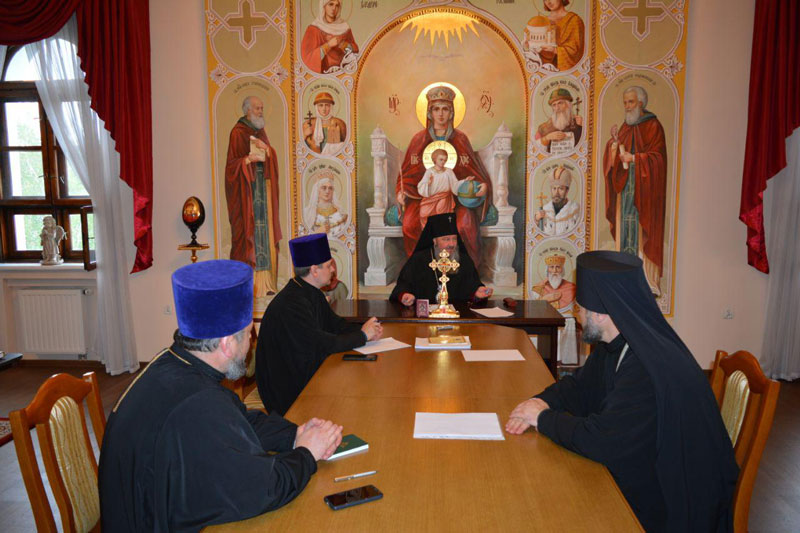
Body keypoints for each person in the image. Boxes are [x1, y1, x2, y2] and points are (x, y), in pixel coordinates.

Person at [99, 260, 344, 531]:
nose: (252, 341)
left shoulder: (172, 364)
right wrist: (307, 453)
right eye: (249, 333)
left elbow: (238, 420)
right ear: (227, 344)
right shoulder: (200, 403)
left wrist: (294, 434)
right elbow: (262, 489)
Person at [506, 251, 738, 532]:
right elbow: (579, 388)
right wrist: (538, 402)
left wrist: (543, 419)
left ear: (600, 314)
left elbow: (605, 443)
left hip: (673, 501)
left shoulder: (646, 366)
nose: (577, 315)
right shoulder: (616, 343)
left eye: (580, 308)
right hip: (644, 467)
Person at [256, 233, 382, 415]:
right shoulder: (291, 304)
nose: (333, 270)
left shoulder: (310, 292)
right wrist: (362, 336)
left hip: (305, 372)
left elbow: (336, 325)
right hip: (288, 391)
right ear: (314, 270)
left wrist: (368, 330)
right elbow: (321, 344)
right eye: (329, 265)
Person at [396, 85, 492, 267]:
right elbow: (407, 175)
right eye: (436, 109)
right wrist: (401, 192)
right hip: (423, 199)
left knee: (465, 224)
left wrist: (483, 186)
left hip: (455, 200)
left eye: (445, 109)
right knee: (409, 223)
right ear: (429, 112)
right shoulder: (418, 139)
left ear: (452, 112)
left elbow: (474, 171)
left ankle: (465, 270)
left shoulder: (461, 139)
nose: (440, 114)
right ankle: (420, 268)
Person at [603, 85, 667, 294]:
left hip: (645, 194)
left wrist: (635, 159)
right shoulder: (625, 127)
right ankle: (623, 277)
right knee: (625, 233)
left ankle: (646, 281)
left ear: (641, 103)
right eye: (625, 103)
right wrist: (614, 144)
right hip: (625, 194)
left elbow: (659, 159)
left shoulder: (653, 126)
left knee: (641, 235)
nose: (627, 106)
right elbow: (615, 159)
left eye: (630, 102)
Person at [225, 95, 282, 297]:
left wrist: (267, 150)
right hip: (247, 196)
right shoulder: (237, 132)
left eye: (262, 108)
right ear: (247, 110)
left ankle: (266, 283)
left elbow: (269, 156)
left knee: (266, 235)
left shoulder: (260, 131)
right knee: (250, 235)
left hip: (263, 192)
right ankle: (250, 286)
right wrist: (247, 160)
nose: (260, 112)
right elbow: (231, 167)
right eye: (257, 108)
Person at [390, 213, 492, 307]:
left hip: (458, 314)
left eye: (454, 239)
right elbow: (403, 286)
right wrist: (405, 295)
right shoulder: (418, 260)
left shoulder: (464, 260)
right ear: (435, 241)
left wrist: (477, 293)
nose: (451, 244)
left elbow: (473, 288)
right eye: (446, 239)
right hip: (424, 316)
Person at [418, 148, 485, 229]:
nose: (443, 162)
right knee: (423, 212)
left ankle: (440, 232)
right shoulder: (429, 171)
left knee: (440, 211)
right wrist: (428, 184)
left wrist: (465, 181)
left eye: (445, 160)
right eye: (441, 159)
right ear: (434, 159)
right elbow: (421, 185)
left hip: (444, 197)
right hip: (430, 198)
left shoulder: (449, 171)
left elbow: (454, 185)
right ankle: (429, 232)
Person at [300, 0, 359, 74]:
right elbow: (307, 58)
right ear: (324, 6)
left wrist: (343, 45)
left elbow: (355, 51)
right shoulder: (313, 29)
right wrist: (328, 45)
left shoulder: (344, 27)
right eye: (331, 4)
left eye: (337, 5)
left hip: (343, 71)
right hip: (323, 73)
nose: (334, 8)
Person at [525, 0, 585, 71]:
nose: (549, 2)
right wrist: (531, 46)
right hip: (546, 70)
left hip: (566, 71)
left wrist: (555, 50)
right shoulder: (541, 22)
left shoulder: (574, 20)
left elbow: (576, 51)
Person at [534, 165, 580, 235]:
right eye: (554, 188)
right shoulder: (545, 209)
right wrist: (536, 220)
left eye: (561, 189)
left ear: (567, 191)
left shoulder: (575, 210)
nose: (556, 193)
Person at [535, 88, 583, 154]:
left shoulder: (579, 123)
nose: (557, 108)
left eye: (560, 103)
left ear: (568, 105)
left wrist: (581, 127)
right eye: (554, 105)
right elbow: (535, 149)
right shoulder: (544, 127)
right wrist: (547, 138)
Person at [303, 172, 348, 236]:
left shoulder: (341, 214)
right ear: (317, 190)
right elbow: (302, 238)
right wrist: (317, 232)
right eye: (324, 188)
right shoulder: (307, 213)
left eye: (330, 188)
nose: (327, 191)